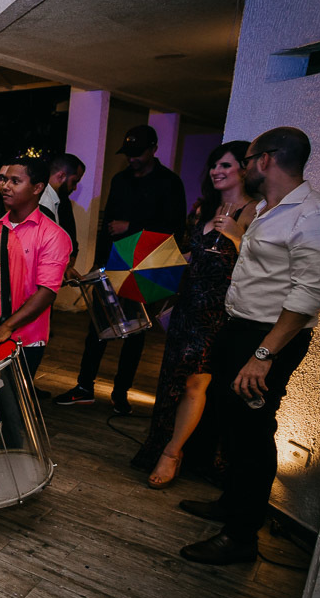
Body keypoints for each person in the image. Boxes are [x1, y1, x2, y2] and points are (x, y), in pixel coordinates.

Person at [180, 127, 320, 564]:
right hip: (241, 330)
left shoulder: (316, 214)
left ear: (265, 160)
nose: (245, 167)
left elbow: (308, 295)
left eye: (247, 159)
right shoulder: (269, 211)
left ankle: (241, 536)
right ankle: (231, 504)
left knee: (252, 433)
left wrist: (263, 355)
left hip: (267, 339)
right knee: (232, 425)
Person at [133, 142, 255, 488]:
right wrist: (159, 265)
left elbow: (257, 267)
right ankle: (165, 443)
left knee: (195, 382)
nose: (216, 171)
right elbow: (195, 255)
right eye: (214, 165)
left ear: (245, 169)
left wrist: (237, 237)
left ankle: (172, 453)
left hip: (218, 314)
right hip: (187, 307)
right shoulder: (204, 209)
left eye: (225, 165)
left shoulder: (254, 213)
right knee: (171, 380)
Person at [55, 124, 186, 413]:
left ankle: (121, 393)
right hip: (113, 262)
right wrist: (99, 262)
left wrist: (132, 226)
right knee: (98, 328)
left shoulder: (169, 183)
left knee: (136, 333)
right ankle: (84, 387)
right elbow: (108, 224)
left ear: (153, 149)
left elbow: (175, 229)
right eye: (128, 153)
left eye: (138, 153)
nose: (132, 159)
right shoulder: (120, 179)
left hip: (146, 266)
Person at [0, 158, 71, 451]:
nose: (5, 186)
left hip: (24, 338)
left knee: (12, 410)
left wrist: (7, 327)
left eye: (15, 181)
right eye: (3, 179)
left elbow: (47, 292)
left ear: (38, 188)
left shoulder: (53, 235)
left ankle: (14, 461)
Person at [42, 153, 85, 273]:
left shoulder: (59, 200)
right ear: (61, 176)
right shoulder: (43, 200)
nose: (75, 188)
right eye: (74, 181)